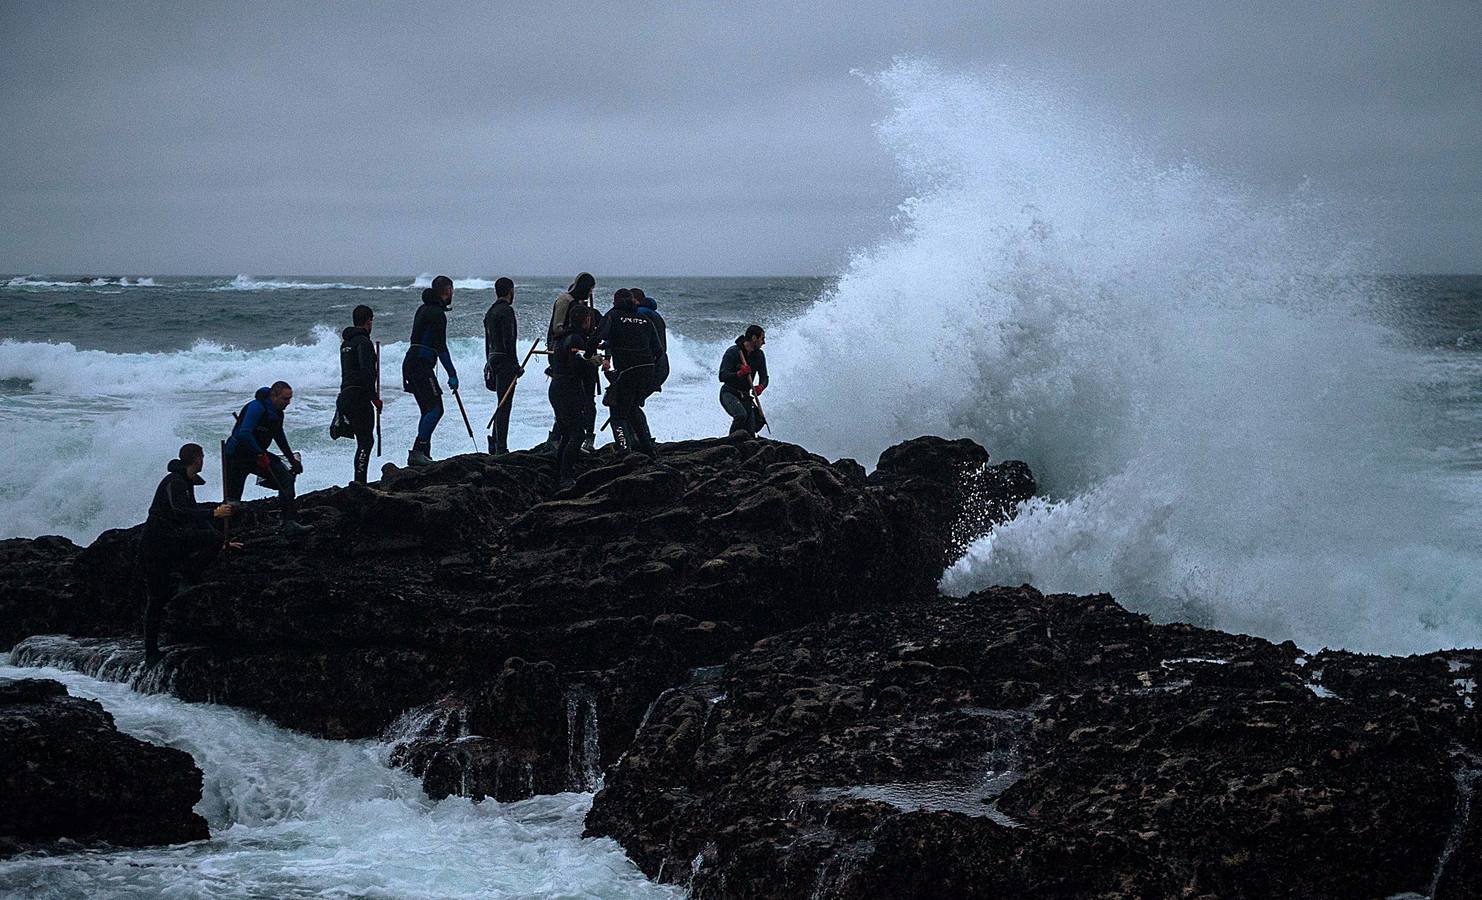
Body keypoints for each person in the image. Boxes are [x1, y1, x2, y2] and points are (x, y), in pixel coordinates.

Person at [140, 443, 238, 664]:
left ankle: (188, 576)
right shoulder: (175, 482)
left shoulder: (186, 481)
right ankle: (151, 652)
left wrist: (223, 540)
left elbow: (196, 517)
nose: (204, 460)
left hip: (172, 540)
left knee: (211, 539)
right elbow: (181, 511)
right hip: (156, 545)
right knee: (156, 599)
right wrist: (214, 512)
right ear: (196, 459)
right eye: (202, 456)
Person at [225, 381, 313, 534]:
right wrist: (260, 453)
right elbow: (244, 433)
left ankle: (289, 523)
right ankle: (227, 533)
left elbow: (279, 436)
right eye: (285, 399)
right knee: (233, 499)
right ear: (274, 396)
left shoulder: (278, 413)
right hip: (237, 455)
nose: (288, 403)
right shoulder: (256, 407)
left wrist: (292, 460)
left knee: (286, 479)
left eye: (290, 399)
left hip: (258, 454)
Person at [596, 289, 662, 456]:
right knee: (632, 408)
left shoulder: (613, 315)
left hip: (627, 371)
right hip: (648, 371)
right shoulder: (645, 318)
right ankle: (648, 448)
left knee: (617, 413)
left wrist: (591, 351)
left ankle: (624, 450)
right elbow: (658, 350)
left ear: (616, 302)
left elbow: (598, 337)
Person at [402, 276, 459, 466]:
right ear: (447, 290)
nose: (453, 294)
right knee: (436, 409)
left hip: (411, 363)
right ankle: (418, 451)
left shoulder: (423, 309)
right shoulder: (437, 313)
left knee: (427, 409)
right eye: (452, 290)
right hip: (420, 365)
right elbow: (440, 347)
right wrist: (452, 374)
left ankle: (423, 455)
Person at [545, 273, 598, 452]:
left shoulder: (581, 304)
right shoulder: (565, 301)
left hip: (580, 351)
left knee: (587, 398)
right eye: (590, 288)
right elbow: (556, 329)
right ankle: (557, 439)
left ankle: (585, 437)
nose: (591, 293)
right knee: (570, 401)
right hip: (566, 356)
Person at [549, 305, 600, 487]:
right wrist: (592, 363)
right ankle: (565, 476)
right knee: (577, 434)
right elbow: (576, 366)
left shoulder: (561, 338)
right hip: (568, 389)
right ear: (585, 320)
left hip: (557, 388)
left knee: (566, 433)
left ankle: (560, 471)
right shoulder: (576, 339)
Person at [334, 304, 381, 483]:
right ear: (368, 320)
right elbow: (366, 372)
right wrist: (374, 398)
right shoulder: (363, 342)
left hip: (345, 395)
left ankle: (359, 480)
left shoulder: (346, 344)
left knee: (362, 440)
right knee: (366, 441)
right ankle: (360, 482)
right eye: (371, 320)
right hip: (359, 396)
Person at [482, 277, 520, 454]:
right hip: (505, 362)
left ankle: (495, 440)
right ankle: (501, 447)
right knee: (505, 404)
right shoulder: (507, 311)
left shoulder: (490, 312)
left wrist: (488, 363)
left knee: (501, 402)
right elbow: (509, 340)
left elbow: (488, 342)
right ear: (510, 291)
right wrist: (515, 365)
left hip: (493, 360)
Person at [718, 324, 768, 437]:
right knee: (741, 416)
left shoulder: (759, 355)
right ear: (754, 338)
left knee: (752, 430)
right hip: (729, 393)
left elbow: (765, 377)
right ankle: (729, 442)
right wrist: (739, 374)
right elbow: (722, 376)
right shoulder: (733, 352)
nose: (763, 342)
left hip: (745, 396)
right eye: (762, 339)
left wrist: (761, 386)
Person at [633, 288, 669, 393]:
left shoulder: (639, 314)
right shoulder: (655, 314)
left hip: (649, 366)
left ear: (635, 301)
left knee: (624, 404)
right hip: (662, 365)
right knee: (631, 404)